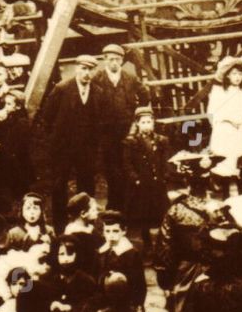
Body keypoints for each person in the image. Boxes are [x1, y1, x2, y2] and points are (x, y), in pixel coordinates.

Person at [42, 54, 109, 225]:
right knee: (59, 186)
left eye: (91, 70)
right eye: (84, 69)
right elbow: (47, 118)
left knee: (86, 184)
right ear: (76, 68)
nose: (87, 73)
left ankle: (85, 222)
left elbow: (100, 122)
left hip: (86, 149)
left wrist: (94, 147)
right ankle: (60, 224)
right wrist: (55, 141)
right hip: (62, 148)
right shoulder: (62, 89)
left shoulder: (98, 92)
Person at [94, 43, 148, 209]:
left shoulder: (129, 77)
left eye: (118, 59)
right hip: (106, 132)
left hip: (126, 130)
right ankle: (115, 204)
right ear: (105, 60)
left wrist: (137, 115)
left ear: (122, 60)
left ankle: (131, 205)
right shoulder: (98, 78)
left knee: (128, 166)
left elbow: (145, 95)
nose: (114, 63)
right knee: (111, 168)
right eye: (111, 59)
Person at [208, 56, 242, 183]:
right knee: (225, 161)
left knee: (240, 160)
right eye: (234, 74)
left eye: (240, 74)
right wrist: (223, 123)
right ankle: (223, 185)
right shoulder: (219, 92)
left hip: (240, 129)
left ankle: (241, 187)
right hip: (225, 128)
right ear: (227, 76)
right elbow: (212, 112)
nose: (237, 77)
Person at [122, 107, 170, 240]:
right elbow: (127, 164)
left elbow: (165, 161)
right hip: (142, 185)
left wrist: (165, 175)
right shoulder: (131, 142)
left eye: (149, 122)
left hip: (158, 183)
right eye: (143, 122)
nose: (146, 125)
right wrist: (136, 179)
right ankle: (147, 244)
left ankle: (161, 243)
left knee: (160, 213)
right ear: (137, 123)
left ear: (153, 123)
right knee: (144, 216)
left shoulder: (161, 140)